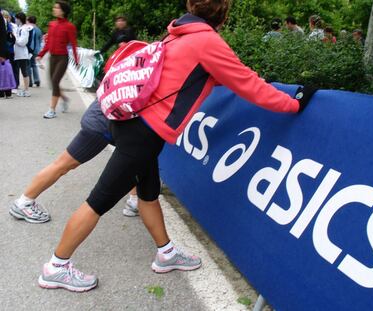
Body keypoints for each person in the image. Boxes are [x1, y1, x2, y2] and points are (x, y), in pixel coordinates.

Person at [37, 0, 317, 292]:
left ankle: (166, 253)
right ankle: (56, 266)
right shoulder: (208, 41)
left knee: (148, 193)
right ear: (223, 13)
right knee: (99, 201)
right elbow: (249, 85)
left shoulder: (178, 32)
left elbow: (196, 76)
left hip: (130, 121)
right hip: (142, 134)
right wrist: (293, 104)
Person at [9, 99, 139, 223]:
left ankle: (134, 200)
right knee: (63, 165)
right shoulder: (147, 75)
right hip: (102, 125)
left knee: (134, 158)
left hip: (102, 118)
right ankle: (24, 202)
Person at [37, 0, 78, 119]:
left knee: (55, 81)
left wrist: (76, 59)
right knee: (53, 83)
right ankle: (65, 99)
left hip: (62, 58)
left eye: (57, 8)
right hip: (52, 57)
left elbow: (74, 44)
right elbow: (48, 43)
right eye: (54, 7)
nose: (54, 9)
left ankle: (52, 110)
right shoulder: (52, 24)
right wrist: (40, 54)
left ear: (63, 11)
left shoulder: (69, 26)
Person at [13, 12, 32, 97]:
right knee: (23, 71)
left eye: (16, 18)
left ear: (20, 19)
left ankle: (27, 90)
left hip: (22, 54)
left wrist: (14, 39)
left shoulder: (24, 29)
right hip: (18, 53)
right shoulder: (19, 28)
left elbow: (23, 42)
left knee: (24, 72)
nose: (15, 20)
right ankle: (25, 89)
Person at [0, 10, 15, 98]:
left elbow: (3, 36)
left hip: (4, 49)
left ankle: (4, 91)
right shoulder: (8, 24)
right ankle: (6, 91)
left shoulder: (5, 22)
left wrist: (2, 53)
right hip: (6, 49)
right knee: (5, 71)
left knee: (4, 71)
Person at [27, 16, 42, 87]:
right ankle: (37, 80)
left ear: (29, 21)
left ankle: (30, 81)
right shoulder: (39, 30)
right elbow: (40, 40)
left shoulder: (29, 29)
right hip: (37, 50)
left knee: (28, 65)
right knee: (34, 65)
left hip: (30, 49)